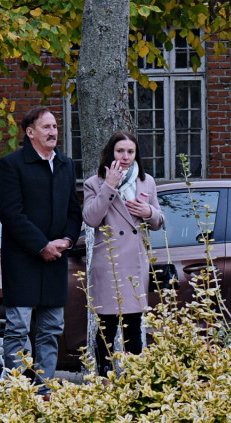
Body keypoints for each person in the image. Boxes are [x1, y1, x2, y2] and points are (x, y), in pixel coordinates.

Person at [0, 107, 81, 387]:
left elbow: (74, 212)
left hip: (56, 260)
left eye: (55, 126)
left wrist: (66, 240)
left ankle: (44, 389)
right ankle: (19, 391)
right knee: (18, 329)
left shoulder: (66, 164)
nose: (54, 131)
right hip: (23, 261)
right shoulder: (12, 165)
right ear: (30, 132)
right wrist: (42, 245)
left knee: (51, 329)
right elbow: (11, 214)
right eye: (47, 127)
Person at [81, 131, 165, 375]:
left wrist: (148, 211)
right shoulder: (94, 183)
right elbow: (91, 218)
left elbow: (159, 220)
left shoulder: (146, 181)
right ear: (111, 153)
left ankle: (134, 378)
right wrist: (109, 186)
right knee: (106, 323)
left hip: (135, 262)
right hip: (108, 260)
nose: (126, 157)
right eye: (120, 151)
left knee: (134, 324)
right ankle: (106, 377)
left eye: (130, 152)